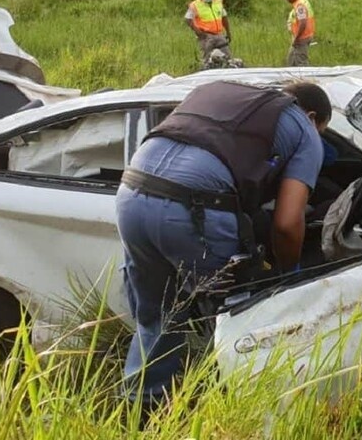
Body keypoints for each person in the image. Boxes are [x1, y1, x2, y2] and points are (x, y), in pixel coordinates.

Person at [116, 80, 331, 410]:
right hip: (194, 211)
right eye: (323, 131)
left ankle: (139, 412)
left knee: (156, 319)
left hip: (130, 196)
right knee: (236, 317)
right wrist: (290, 276)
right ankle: (231, 411)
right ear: (312, 115)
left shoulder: (219, 91)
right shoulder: (305, 128)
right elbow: (288, 223)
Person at [184, 0, 232, 64]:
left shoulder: (218, 2)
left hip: (219, 34)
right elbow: (188, 19)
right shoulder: (195, 5)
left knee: (227, 58)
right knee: (207, 60)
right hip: (206, 36)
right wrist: (198, 32)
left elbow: (224, 17)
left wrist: (228, 32)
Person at [283, 0, 316, 67]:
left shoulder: (300, 5)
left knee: (301, 61)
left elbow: (303, 23)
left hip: (302, 37)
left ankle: (305, 78)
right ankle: (291, 75)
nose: (287, 0)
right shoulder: (302, 1)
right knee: (291, 59)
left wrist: (297, 38)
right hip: (302, 36)